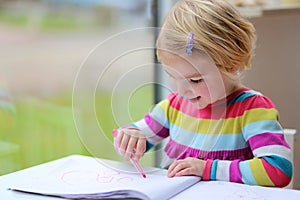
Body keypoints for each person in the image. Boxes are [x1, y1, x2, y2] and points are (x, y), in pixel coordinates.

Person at [113, 0, 292, 187]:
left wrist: (207, 169)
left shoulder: (252, 109)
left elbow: (278, 170)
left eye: (195, 80)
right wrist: (130, 137)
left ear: (232, 64)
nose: (181, 90)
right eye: (173, 76)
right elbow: (136, 135)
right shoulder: (174, 106)